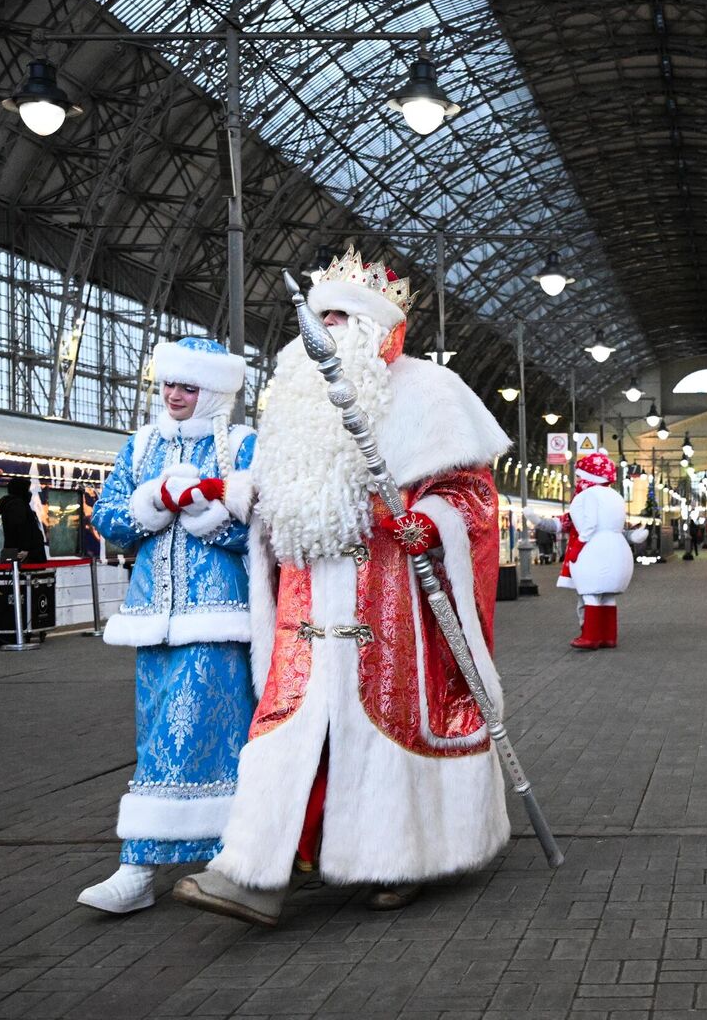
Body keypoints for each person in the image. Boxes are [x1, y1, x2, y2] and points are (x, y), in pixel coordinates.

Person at [173, 247, 511, 927]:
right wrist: (242, 496)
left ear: (375, 327)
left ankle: (401, 860)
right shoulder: (293, 400)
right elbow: (277, 493)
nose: (325, 328)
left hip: (391, 609)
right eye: (318, 316)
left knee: (381, 729)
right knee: (294, 730)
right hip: (306, 604)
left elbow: (472, 496)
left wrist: (428, 518)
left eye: (340, 316)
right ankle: (257, 869)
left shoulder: (431, 393)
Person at [81, 337, 257, 914]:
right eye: (169, 384)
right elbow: (108, 521)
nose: (175, 395)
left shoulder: (240, 447)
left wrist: (209, 518)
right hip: (150, 620)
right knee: (160, 731)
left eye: (188, 386)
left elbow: (267, 534)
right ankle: (228, 855)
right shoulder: (140, 446)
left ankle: (139, 865)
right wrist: (150, 500)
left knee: (188, 734)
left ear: (213, 392)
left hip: (219, 619)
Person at [565, 449, 632, 649]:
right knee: (608, 596)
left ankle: (591, 637)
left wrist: (578, 545)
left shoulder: (586, 496)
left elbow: (589, 524)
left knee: (591, 593)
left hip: (595, 549)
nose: (577, 480)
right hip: (618, 548)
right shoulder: (616, 496)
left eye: (578, 475)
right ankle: (608, 636)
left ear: (587, 476)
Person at [0, 478, 47, 563]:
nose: (29, 492)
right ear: (21, 490)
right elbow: (22, 528)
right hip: (24, 555)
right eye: (27, 489)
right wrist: (26, 549)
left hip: (16, 552)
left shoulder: (12, 504)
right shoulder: (18, 505)